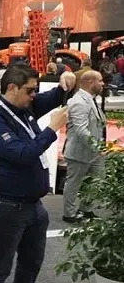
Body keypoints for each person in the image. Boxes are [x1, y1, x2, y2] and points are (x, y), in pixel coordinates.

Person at [0, 64, 74, 283]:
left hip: (33, 206)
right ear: (11, 88)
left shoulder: (23, 108)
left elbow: (50, 98)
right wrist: (52, 129)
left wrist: (64, 81)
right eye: (30, 91)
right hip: (7, 205)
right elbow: (22, 154)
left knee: (31, 262)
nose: (35, 96)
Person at [63, 70, 106, 222]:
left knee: (97, 181)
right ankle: (69, 214)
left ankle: (86, 209)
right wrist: (97, 146)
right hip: (79, 152)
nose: (103, 84)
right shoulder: (79, 102)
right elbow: (81, 130)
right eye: (100, 81)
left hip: (95, 152)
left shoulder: (90, 100)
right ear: (90, 82)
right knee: (74, 184)